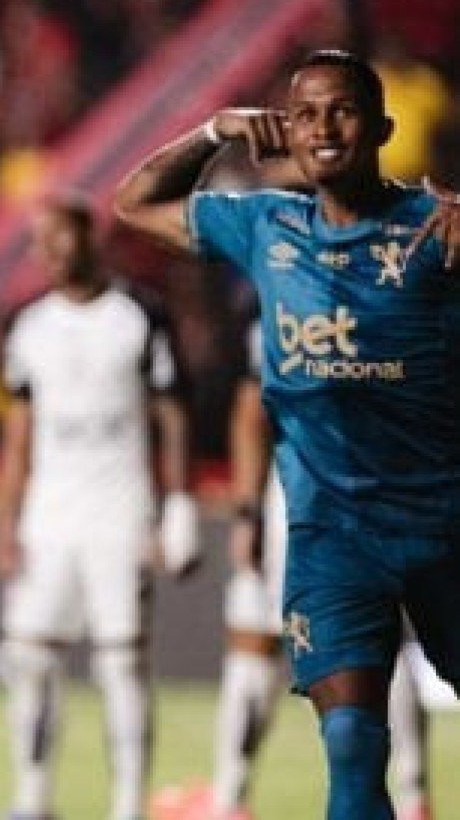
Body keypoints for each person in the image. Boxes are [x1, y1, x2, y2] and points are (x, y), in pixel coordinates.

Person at [113, 49, 460, 820]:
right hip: (332, 538)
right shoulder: (265, 224)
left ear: (381, 128)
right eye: (305, 114)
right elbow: (134, 202)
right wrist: (216, 131)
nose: (322, 128)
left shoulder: (435, 228)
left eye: (342, 111)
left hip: (442, 525)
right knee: (353, 744)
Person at [153, 319, 432, 820]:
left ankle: (229, 799)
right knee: (381, 640)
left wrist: (247, 511)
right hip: (381, 492)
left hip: (299, 494)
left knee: (253, 640)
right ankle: (414, 798)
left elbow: (251, 412)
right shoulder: (396, 300)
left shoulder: (289, 300)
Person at [0, 197, 200, 820]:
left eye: (59, 237)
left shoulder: (139, 315)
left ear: (90, 239)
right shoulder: (28, 325)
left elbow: (171, 413)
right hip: (49, 514)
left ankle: (128, 805)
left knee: (122, 663)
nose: (49, 252)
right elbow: (19, 431)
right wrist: (6, 521)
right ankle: (32, 800)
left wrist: (179, 506)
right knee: (30, 657)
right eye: (39, 241)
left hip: (120, 509)